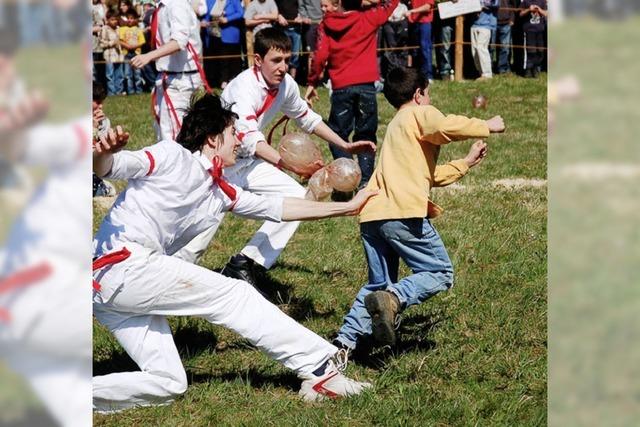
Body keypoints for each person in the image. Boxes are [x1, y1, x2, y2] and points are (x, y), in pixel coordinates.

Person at [92, 94, 374, 412]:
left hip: (114, 286)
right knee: (234, 295)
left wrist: (346, 207)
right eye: (232, 133)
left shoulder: (219, 191)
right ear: (213, 139)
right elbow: (111, 166)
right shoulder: (171, 155)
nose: (239, 140)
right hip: (123, 266)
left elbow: (280, 207)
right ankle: (321, 370)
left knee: (169, 383)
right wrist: (104, 154)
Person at [175, 28, 375, 292]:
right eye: (275, 61)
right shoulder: (243, 88)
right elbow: (249, 139)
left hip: (247, 163)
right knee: (194, 243)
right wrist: (288, 163)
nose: (283, 67)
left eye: (286, 60)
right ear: (258, 60)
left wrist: (345, 144)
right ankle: (163, 279)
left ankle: (244, 263)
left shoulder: (286, 85)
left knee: (298, 199)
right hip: (217, 166)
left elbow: (307, 118)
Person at [332, 67, 505, 351]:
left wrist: (467, 162)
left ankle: (344, 342)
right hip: (401, 213)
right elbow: (443, 126)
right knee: (439, 272)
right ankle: (396, 299)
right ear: (418, 94)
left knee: (378, 284)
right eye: (429, 94)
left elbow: (430, 176)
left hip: (373, 215)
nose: (430, 100)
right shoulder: (418, 113)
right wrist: (487, 124)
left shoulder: (397, 127)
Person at [306, 0, 399, 191]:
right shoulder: (368, 17)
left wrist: (312, 82)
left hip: (341, 87)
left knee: (337, 135)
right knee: (366, 134)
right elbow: (392, 3)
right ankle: (365, 181)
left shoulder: (326, 25)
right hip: (366, 86)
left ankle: (348, 176)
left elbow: (320, 56)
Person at [130, 0, 204, 141]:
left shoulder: (177, 4)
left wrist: (148, 56)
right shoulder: (162, 7)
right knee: (164, 131)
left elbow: (179, 42)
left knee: (175, 135)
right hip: (168, 77)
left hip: (180, 80)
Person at [92, 81, 117, 197]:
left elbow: (103, 151)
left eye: (102, 102)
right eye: (97, 102)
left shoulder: (104, 122)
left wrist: (99, 129)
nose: (100, 106)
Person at [405, 0, 434, 82]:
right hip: (414, 23)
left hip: (425, 23)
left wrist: (412, 11)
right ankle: (418, 74)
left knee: (425, 49)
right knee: (415, 51)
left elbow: (428, 7)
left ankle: (428, 75)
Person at [118, 10, 146, 95]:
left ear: (135, 20)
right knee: (127, 74)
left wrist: (133, 47)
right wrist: (127, 46)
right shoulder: (122, 29)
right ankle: (130, 91)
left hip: (136, 54)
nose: (130, 20)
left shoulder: (138, 30)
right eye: (128, 18)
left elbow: (142, 42)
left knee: (137, 74)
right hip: (126, 54)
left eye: (132, 18)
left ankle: (139, 91)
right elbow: (120, 41)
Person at [470, 0, 499, 81]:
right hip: (474, 24)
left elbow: (496, 3)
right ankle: (481, 73)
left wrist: (481, 5)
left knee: (481, 48)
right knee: (474, 50)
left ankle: (487, 74)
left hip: (486, 24)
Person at [100, 11, 125, 96]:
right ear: (107, 20)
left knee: (120, 75)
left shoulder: (118, 28)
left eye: (116, 19)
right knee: (110, 76)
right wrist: (112, 43)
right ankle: (112, 93)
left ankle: (119, 91)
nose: (114, 21)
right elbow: (102, 43)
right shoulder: (104, 29)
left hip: (119, 55)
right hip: (109, 56)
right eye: (112, 19)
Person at [519, 0, 546, 78]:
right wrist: (529, 10)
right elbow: (520, 14)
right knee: (531, 51)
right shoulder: (525, 2)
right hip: (529, 30)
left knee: (540, 52)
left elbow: (546, 13)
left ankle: (535, 68)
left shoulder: (542, 2)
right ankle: (528, 70)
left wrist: (539, 9)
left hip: (540, 30)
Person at [496, 0, 516, 74]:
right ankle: (490, 68)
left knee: (505, 48)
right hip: (492, 21)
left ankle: (503, 68)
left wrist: (512, 19)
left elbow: (513, 5)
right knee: (491, 47)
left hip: (506, 22)